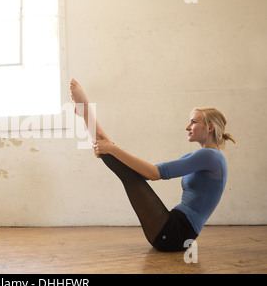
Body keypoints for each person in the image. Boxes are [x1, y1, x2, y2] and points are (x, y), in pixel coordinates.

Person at [70, 79, 236, 252]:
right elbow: (145, 173)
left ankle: (87, 112)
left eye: (193, 122)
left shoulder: (210, 156)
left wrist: (112, 149)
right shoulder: (200, 157)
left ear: (210, 127)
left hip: (176, 233)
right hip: (174, 229)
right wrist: (110, 151)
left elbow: (155, 174)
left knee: (121, 165)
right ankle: (86, 114)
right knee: (123, 168)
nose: (187, 127)